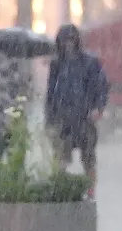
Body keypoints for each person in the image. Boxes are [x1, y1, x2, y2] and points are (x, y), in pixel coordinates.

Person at [44, 24, 109, 195]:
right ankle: (60, 190)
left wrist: (98, 107)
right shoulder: (57, 65)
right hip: (63, 118)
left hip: (84, 117)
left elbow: (101, 86)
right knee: (60, 158)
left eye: (71, 40)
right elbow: (51, 93)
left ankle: (90, 190)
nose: (68, 44)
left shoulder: (90, 63)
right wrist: (49, 120)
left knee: (88, 158)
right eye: (65, 40)